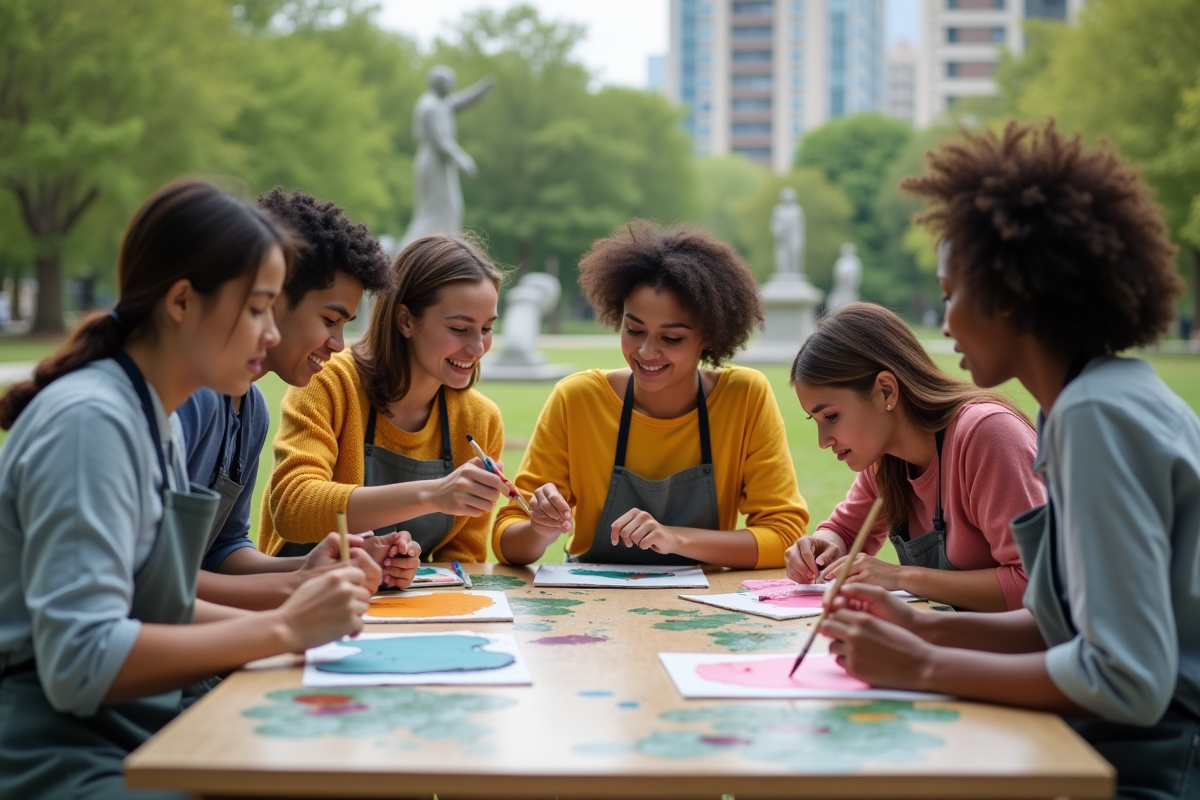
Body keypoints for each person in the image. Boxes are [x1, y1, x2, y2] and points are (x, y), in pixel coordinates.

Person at [821, 121, 1200, 799]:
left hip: (1157, 765)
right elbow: (1070, 626)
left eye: (950, 294)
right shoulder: (1088, 402)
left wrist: (927, 665)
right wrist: (917, 624)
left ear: (1011, 294)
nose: (943, 324)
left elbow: (1129, 682)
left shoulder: (1092, 418)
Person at [0, 180, 373, 800]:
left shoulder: (152, 419)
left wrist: (295, 611)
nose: (272, 334)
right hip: (61, 754)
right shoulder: (92, 421)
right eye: (257, 309)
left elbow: (155, 602)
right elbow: (79, 663)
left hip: (142, 733)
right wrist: (283, 628)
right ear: (181, 302)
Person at [494, 221, 809, 568]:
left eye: (671, 339)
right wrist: (539, 529)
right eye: (634, 330)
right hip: (592, 608)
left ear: (709, 336)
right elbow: (508, 540)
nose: (645, 351)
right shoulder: (578, 398)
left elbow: (785, 536)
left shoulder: (744, 397)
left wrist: (673, 537)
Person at [177, 187, 418, 613]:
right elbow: (151, 583)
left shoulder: (250, 408)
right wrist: (298, 591)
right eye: (330, 320)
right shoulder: (185, 399)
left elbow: (223, 552)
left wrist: (312, 567)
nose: (339, 344)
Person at [259, 234, 507, 561]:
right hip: (301, 597)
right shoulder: (329, 381)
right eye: (460, 329)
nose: (477, 348)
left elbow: (462, 560)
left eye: (487, 329)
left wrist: (407, 567)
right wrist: (433, 494)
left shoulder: (480, 420)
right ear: (406, 320)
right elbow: (293, 507)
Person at [785, 302, 1041, 611]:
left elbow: (1034, 585)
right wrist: (823, 547)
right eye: (816, 422)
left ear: (886, 391)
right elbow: (845, 531)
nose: (823, 442)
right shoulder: (883, 457)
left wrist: (900, 577)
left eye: (831, 417)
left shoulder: (987, 434)